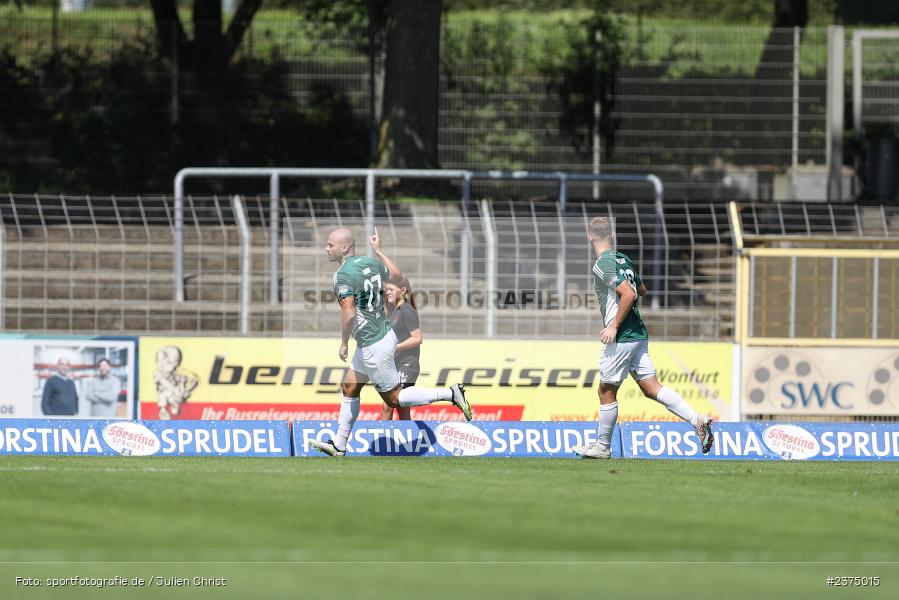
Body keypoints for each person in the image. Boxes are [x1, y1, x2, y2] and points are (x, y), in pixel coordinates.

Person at [310, 227, 472, 457]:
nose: (327, 249)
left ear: (345, 247)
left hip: (373, 342)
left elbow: (348, 311)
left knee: (394, 399)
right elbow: (397, 275)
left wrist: (344, 342)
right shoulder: (371, 263)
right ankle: (339, 445)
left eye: (330, 245)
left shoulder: (342, 275)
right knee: (349, 387)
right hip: (380, 336)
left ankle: (450, 394)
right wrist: (378, 251)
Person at [573, 216, 714, 459]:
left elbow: (629, 294)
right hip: (638, 333)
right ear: (612, 235)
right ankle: (696, 420)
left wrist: (613, 327)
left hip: (623, 336)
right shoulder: (623, 259)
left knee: (606, 391)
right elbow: (641, 289)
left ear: (589, 236)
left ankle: (602, 447)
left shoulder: (602, 264)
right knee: (652, 388)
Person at [378, 274, 421, 420]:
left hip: (407, 366)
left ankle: (383, 441)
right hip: (394, 366)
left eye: (390, 289)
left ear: (403, 290)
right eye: (386, 289)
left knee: (388, 405)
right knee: (402, 409)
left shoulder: (407, 310)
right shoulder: (392, 311)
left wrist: (394, 348)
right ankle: (406, 441)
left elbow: (417, 338)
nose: (387, 292)